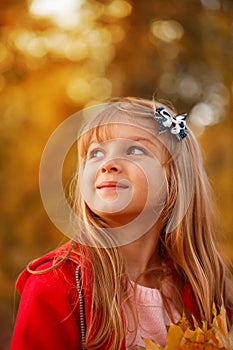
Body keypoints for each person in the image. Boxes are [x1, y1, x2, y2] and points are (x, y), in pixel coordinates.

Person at [11, 97, 233, 350]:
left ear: (174, 178)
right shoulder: (56, 285)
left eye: (135, 151)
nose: (108, 165)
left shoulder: (206, 291)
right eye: (95, 153)